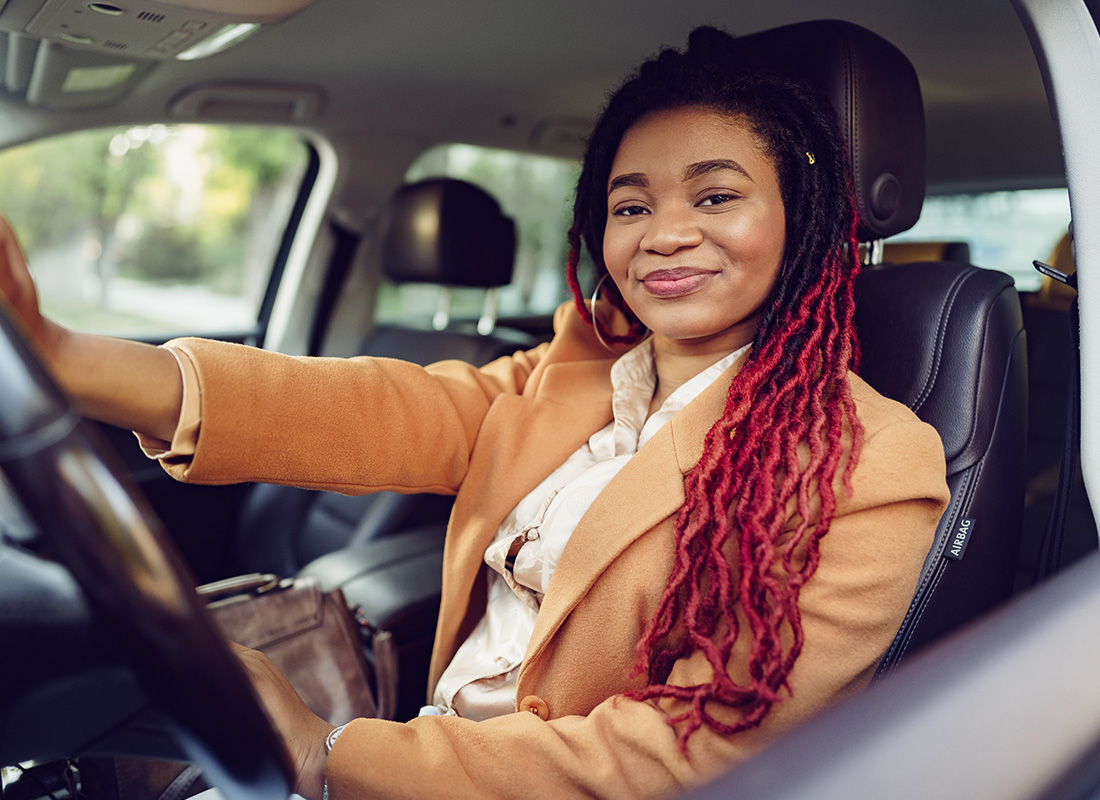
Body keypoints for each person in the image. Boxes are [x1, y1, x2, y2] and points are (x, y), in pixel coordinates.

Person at [0, 26, 948, 800]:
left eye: (717, 195)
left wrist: (328, 755)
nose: (664, 233)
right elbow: (366, 409)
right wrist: (66, 360)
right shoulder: (580, 372)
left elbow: (686, 760)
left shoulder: (867, 463)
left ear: (806, 216)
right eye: (630, 206)